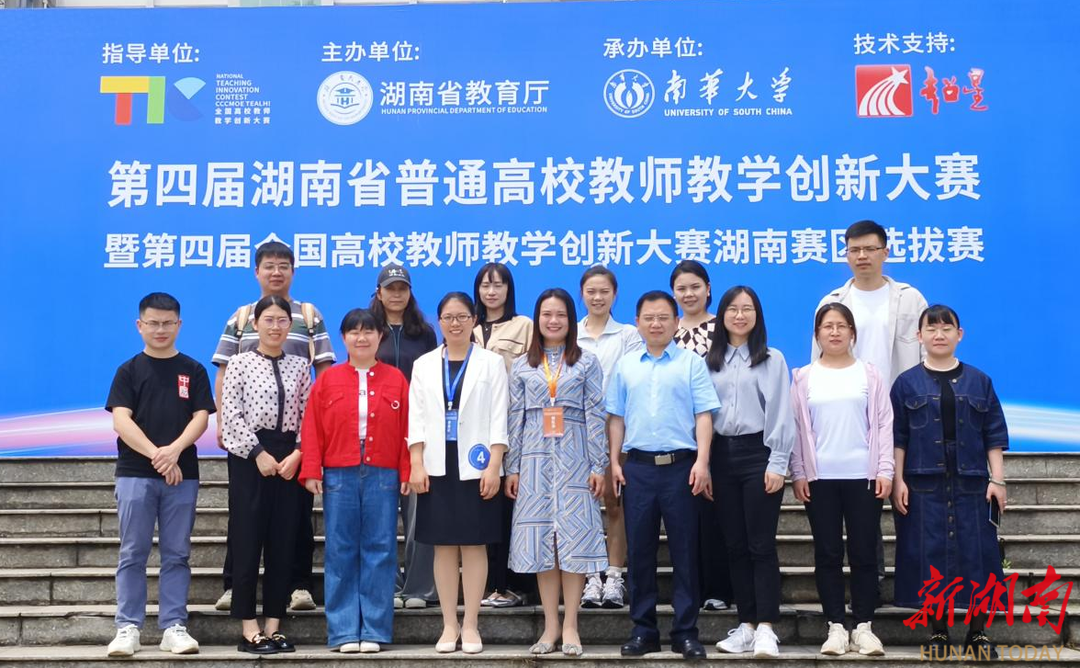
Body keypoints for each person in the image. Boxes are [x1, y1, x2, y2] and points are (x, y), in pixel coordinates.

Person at [211, 240, 334, 613]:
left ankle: (299, 585)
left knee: (297, 515)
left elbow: (323, 374)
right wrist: (224, 422)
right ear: (257, 272)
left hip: (294, 437)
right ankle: (235, 586)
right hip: (250, 438)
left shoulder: (308, 315)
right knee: (243, 515)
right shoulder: (241, 316)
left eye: (283, 265)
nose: (276, 271)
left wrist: (308, 443)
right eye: (269, 265)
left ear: (293, 271)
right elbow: (223, 372)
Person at [813, 220, 927, 595]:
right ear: (846, 255)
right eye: (854, 250)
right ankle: (872, 583)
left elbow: (925, 354)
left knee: (908, 499)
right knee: (865, 503)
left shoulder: (910, 299)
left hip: (906, 410)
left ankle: (917, 584)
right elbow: (816, 366)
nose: (862, 256)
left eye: (870, 249)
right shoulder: (833, 302)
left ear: (885, 252)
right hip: (853, 415)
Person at [890, 305, 1009, 660]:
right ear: (919, 336)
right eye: (931, 328)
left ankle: (978, 633)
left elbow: (993, 434)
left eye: (946, 328)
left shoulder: (979, 381)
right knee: (930, 555)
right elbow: (898, 437)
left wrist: (998, 480)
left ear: (960, 334)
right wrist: (897, 479)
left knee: (978, 555)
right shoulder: (906, 383)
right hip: (923, 483)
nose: (939, 335)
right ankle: (938, 631)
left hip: (971, 483)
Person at [608, 290, 719, 660]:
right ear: (637, 323)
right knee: (639, 553)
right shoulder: (626, 366)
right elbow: (616, 417)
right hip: (638, 469)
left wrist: (702, 462)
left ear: (675, 323)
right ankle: (643, 631)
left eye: (663, 318)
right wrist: (614, 461)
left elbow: (704, 415)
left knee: (685, 553)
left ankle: (686, 633)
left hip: (681, 468)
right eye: (649, 318)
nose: (656, 324)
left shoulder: (691, 364)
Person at [105, 293, 214, 658]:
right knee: (132, 552)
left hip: (183, 474)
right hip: (135, 473)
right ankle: (128, 627)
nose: (160, 329)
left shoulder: (193, 370)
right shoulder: (128, 370)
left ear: (179, 325)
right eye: (153, 323)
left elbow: (201, 417)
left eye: (168, 323)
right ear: (140, 326)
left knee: (177, 553)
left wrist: (175, 450)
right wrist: (159, 455)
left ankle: (173, 626)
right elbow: (121, 421)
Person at [299, 309, 411, 654]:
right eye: (353, 332)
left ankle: (375, 629)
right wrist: (312, 469)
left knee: (381, 548)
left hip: (383, 471)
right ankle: (345, 630)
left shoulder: (396, 379)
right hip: (339, 470)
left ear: (380, 337)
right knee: (340, 549)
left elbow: (409, 427)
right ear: (343, 338)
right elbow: (312, 427)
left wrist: (407, 470)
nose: (361, 338)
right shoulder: (328, 380)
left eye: (368, 331)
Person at [505, 289, 607, 657]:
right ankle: (550, 625)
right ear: (537, 319)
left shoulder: (587, 362)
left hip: (576, 458)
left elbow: (596, 413)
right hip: (534, 461)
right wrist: (512, 467)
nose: (553, 321)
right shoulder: (522, 365)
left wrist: (599, 465)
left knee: (574, 541)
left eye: (560, 315)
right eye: (546, 314)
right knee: (541, 543)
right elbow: (514, 417)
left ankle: (571, 625)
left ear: (570, 320)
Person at [790, 303, 894, 657]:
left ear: (852, 332)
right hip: (820, 479)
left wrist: (885, 470)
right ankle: (835, 625)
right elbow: (796, 428)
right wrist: (799, 472)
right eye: (827, 326)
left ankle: (864, 626)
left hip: (863, 477)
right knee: (828, 553)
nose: (834, 332)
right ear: (817, 334)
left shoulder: (870, 374)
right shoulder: (803, 377)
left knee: (864, 553)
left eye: (841, 325)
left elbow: (884, 423)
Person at [408, 292, 509, 655]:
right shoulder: (423, 364)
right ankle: (449, 623)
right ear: (439, 322)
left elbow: (500, 416)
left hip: (477, 465)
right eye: (448, 317)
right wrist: (416, 462)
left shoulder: (491, 363)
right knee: (444, 545)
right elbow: (416, 417)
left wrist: (495, 465)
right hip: (436, 464)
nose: (455, 323)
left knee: (474, 543)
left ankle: (471, 623)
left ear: (474, 320)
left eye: (462, 317)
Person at [220, 295, 312, 654]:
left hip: (290, 457)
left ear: (291, 325)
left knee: (283, 541)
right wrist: (257, 453)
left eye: (282, 320)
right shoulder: (239, 363)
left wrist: (298, 454)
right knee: (247, 539)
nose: (275, 327)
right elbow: (230, 414)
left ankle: (274, 625)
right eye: (269, 320)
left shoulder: (300, 366)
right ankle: (248, 627)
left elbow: (309, 413)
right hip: (249, 458)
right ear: (255, 324)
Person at [708, 286, 796, 659]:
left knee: (761, 545)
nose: (740, 315)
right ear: (722, 315)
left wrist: (778, 462)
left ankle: (766, 628)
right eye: (733, 309)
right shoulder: (709, 361)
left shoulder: (771, 359)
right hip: (720, 456)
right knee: (735, 545)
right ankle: (745, 624)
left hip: (758, 453)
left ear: (757, 315)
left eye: (747, 309)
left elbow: (780, 412)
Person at [369, 263, 440, 610]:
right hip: (379, 430)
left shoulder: (423, 333)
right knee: (381, 513)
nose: (396, 294)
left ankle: (419, 587)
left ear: (410, 293)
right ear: (379, 293)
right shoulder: (369, 329)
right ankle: (388, 584)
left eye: (402, 288)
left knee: (418, 511)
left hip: (417, 429)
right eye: (390, 288)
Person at [576, 266, 642, 610]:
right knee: (584, 506)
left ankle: (614, 576)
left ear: (614, 295)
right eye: (591, 291)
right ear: (582, 294)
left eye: (604, 291)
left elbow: (631, 379)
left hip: (617, 428)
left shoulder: (628, 335)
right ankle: (590, 576)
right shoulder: (571, 334)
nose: (597, 297)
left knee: (615, 503)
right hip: (576, 431)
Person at [670, 260, 734, 612]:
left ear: (708, 289)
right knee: (684, 518)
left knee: (715, 515)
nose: (689, 294)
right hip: (677, 435)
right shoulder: (667, 329)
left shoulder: (723, 327)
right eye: (681, 288)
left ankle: (719, 588)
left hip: (718, 433)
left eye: (695, 286)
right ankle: (689, 589)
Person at [472, 262, 535, 609]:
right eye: (485, 285)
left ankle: (512, 584)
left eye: (498, 285)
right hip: (475, 432)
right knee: (483, 509)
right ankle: (487, 583)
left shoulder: (523, 325)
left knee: (511, 510)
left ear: (509, 290)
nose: (491, 291)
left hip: (514, 426)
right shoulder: (467, 325)